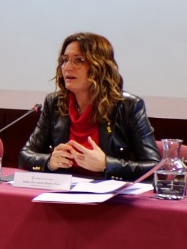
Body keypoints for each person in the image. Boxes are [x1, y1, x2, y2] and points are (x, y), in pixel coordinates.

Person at [18, 32, 158, 180]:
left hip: (107, 191)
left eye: (79, 60)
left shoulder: (128, 106)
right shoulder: (54, 103)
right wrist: (49, 162)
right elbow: (25, 156)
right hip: (63, 188)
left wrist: (106, 164)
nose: (67, 67)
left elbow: (154, 167)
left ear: (99, 66)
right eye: (64, 60)